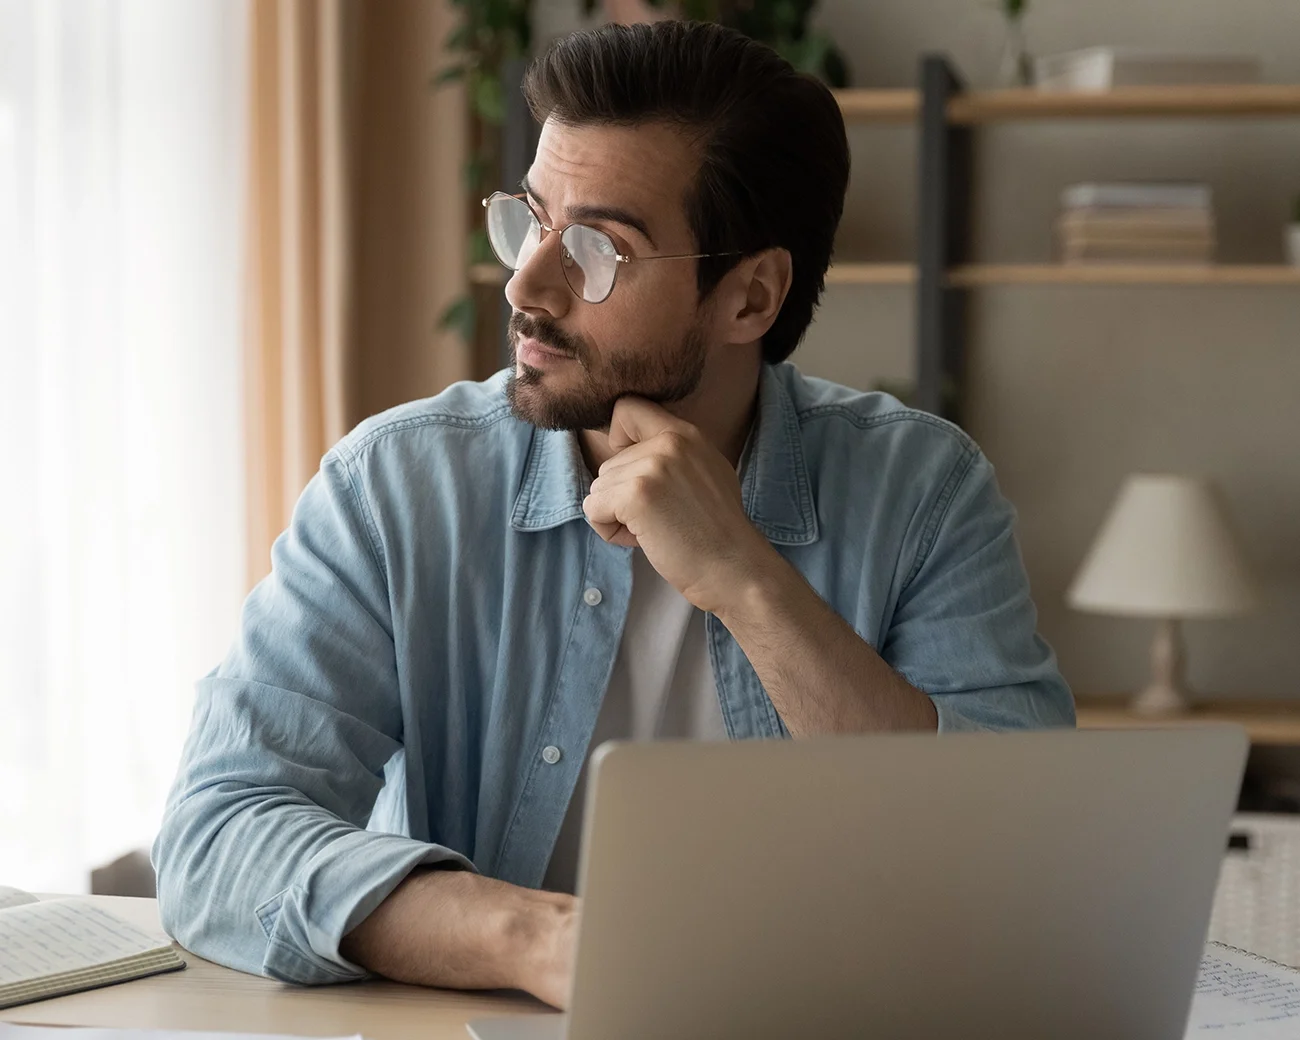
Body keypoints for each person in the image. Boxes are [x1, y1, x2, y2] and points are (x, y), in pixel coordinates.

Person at [153, 19, 1073, 1011]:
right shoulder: (398, 484)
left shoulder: (923, 490)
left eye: (595, 249)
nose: (524, 284)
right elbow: (218, 832)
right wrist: (538, 935)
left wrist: (743, 575)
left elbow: (1015, 860)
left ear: (749, 297)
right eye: (529, 220)